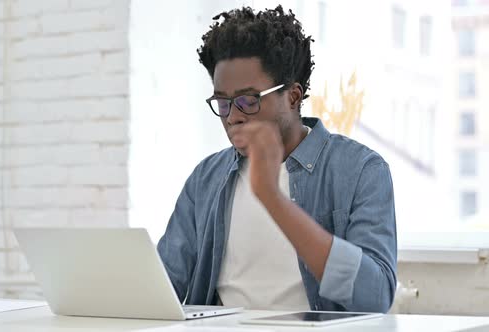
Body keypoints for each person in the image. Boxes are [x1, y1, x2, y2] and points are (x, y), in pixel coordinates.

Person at [157, 5, 397, 313]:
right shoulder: (206, 178)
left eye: (247, 100)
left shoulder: (360, 170)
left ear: (293, 97)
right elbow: (163, 287)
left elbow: (375, 297)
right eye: (223, 102)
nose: (233, 117)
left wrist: (272, 198)